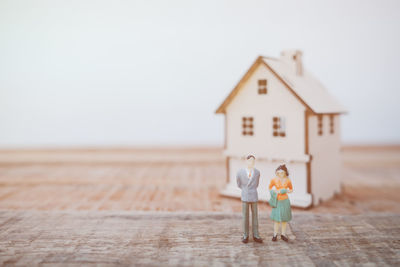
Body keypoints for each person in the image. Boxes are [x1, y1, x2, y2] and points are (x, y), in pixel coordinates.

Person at [236, 155, 263, 243]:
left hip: (254, 195)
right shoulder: (240, 172)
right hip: (245, 195)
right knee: (245, 217)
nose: (251, 163)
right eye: (250, 161)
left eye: (253, 161)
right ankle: (245, 235)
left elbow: (257, 184)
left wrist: (251, 189)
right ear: (246, 161)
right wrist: (245, 189)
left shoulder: (257, 172)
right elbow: (239, 183)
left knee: (255, 216)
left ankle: (256, 235)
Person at [269, 164, 293, 242]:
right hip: (277, 201)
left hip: (285, 200)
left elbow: (291, 189)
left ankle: (283, 234)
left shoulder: (288, 180)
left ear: (285, 172)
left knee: (284, 219)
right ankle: (275, 234)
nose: (280, 174)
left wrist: (285, 190)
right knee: (277, 219)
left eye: (282, 173)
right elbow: (270, 188)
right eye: (278, 173)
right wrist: (275, 191)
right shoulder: (274, 180)